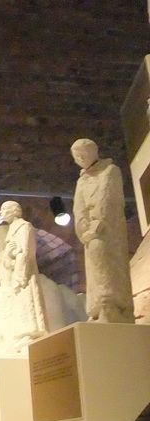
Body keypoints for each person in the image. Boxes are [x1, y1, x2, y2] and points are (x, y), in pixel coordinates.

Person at [71, 138, 134, 323]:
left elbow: (107, 200)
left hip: (108, 228)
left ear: (93, 152)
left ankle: (112, 302)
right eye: (77, 156)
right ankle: (98, 306)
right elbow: (79, 207)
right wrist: (83, 229)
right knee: (93, 263)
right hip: (89, 232)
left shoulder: (110, 171)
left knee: (105, 257)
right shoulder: (82, 181)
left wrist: (97, 226)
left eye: (83, 154)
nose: (81, 158)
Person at [0, 200, 49, 345]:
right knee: (20, 303)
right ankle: (22, 334)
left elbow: (26, 252)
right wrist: (10, 252)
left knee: (28, 301)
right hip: (16, 272)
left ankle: (30, 333)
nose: (1, 213)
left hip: (24, 274)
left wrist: (20, 276)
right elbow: (9, 260)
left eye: (4, 209)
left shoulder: (24, 227)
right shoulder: (11, 230)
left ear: (14, 211)